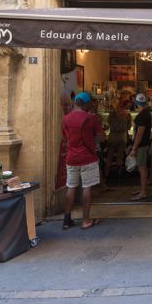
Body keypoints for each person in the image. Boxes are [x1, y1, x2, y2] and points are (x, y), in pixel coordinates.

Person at [62, 92, 105, 230]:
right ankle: (85, 220)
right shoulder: (92, 119)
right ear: (86, 104)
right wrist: (93, 141)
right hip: (88, 157)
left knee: (71, 187)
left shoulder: (66, 119)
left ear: (75, 102)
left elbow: (65, 138)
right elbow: (101, 138)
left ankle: (66, 220)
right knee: (87, 187)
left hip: (71, 158)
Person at [129, 93, 152, 201]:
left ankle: (143, 192)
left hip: (141, 146)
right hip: (144, 144)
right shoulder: (146, 114)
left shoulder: (142, 116)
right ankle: (143, 189)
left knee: (142, 168)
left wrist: (134, 148)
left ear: (136, 103)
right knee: (142, 168)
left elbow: (139, 134)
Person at [104, 99, 131, 182]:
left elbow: (108, 122)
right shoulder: (127, 114)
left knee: (109, 156)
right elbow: (129, 127)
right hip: (122, 137)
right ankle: (119, 176)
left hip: (112, 136)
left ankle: (106, 175)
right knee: (120, 156)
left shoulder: (113, 113)